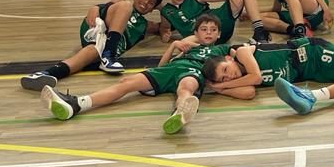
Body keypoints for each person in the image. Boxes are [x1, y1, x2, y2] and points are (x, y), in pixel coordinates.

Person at [39, 14, 237, 134]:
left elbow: (242, 59)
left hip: (193, 71)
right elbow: (161, 65)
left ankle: (180, 113)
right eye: (204, 29)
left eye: (213, 30)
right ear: (196, 32)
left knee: (185, 88)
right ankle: (77, 104)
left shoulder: (221, 50)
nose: (209, 32)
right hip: (168, 70)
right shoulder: (186, 46)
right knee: (126, 83)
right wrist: (174, 45)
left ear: (219, 34)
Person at [19, 0, 164, 89]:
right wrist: (94, 8)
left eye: (151, 3)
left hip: (100, 46)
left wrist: (163, 8)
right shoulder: (123, 2)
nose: (145, 3)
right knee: (125, 6)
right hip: (98, 29)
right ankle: (109, 55)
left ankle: (45, 74)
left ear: (153, 9)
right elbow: (100, 8)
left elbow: (166, 26)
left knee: (90, 52)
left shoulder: (145, 25)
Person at [202, 35, 334, 99]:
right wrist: (221, 90)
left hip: (307, 51)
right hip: (308, 72)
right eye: (224, 78)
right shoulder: (239, 82)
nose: (230, 77)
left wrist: (222, 86)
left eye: (226, 70)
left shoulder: (242, 53)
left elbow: (256, 78)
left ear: (228, 59)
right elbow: (249, 92)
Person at [158, 0, 262, 45]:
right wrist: (164, 34)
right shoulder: (166, 11)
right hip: (198, 37)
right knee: (185, 42)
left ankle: (259, 33)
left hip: (219, 23)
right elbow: (165, 27)